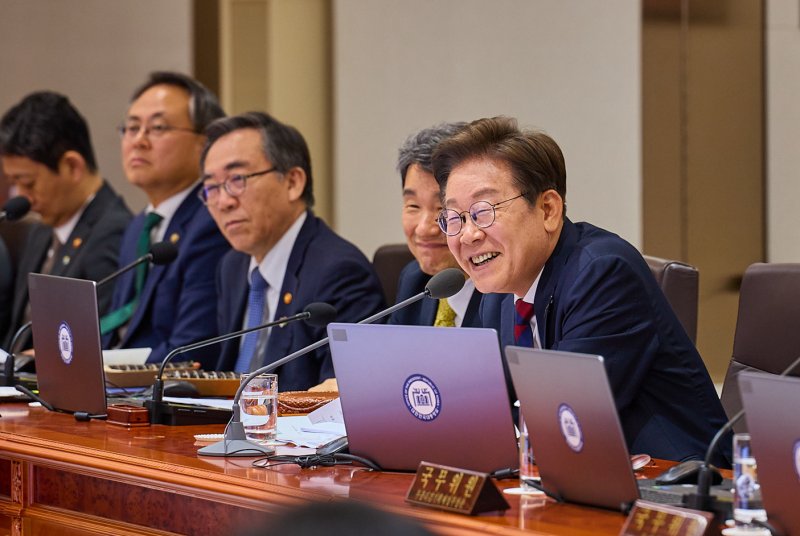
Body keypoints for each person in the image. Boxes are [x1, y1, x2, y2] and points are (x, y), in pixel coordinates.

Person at [432, 116, 731, 465]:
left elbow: (563, 418)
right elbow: (491, 411)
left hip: (676, 488)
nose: (468, 235)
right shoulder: (497, 292)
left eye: (483, 212)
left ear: (548, 210)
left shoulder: (603, 273)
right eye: (455, 218)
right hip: (578, 481)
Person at [200, 112, 385, 390]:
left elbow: (338, 400)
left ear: (293, 182)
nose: (223, 201)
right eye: (212, 187)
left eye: (237, 179)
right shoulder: (233, 266)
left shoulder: (340, 272)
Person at [101, 72, 229, 367]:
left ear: (205, 142)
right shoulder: (139, 226)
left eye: (157, 127)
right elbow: (119, 329)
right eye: (131, 128)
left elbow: (189, 351)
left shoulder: (211, 222)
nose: (138, 141)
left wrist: (100, 367)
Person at [0, 91, 131, 351]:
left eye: (28, 183)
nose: (21, 197)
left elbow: (93, 344)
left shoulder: (113, 232)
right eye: (13, 183)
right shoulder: (40, 231)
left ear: (72, 166)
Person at [389, 122, 482, 328]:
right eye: (413, 206)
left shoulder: (506, 292)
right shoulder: (414, 280)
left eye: (442, 208)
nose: (424, 228)